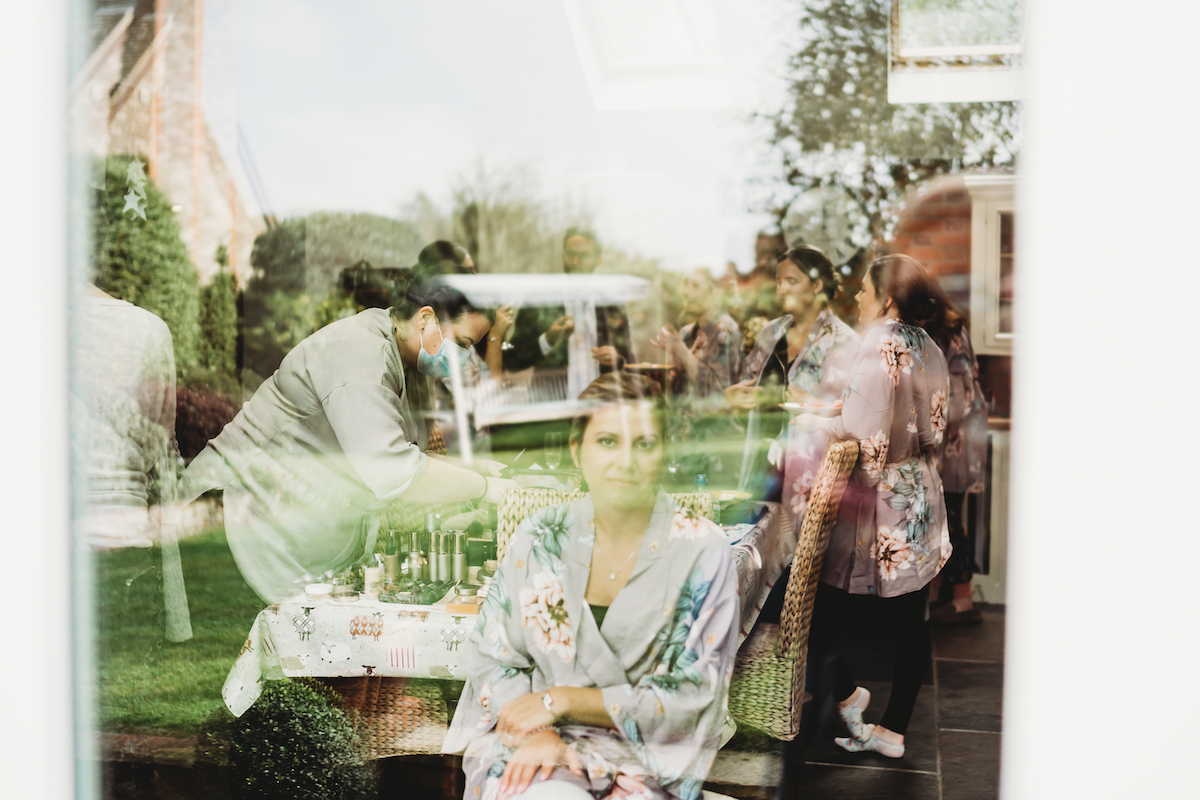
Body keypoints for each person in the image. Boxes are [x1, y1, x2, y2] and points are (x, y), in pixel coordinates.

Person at [443, 373, 740, 800]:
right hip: (537, 745)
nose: (625, 461)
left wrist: (561, 699)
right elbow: (494, 657)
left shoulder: (703, 552)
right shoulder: (539, 537)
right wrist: (540, 731)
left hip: (645, 758)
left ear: (664, 452)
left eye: (644, 443)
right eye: (606, 442)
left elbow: (691, 698)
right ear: (576, 450)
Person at [177, 277, 516, 603]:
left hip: (296, 510)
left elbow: (410, 454)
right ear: (426, 319)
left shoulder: (406, 356)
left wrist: (476, 468)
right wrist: (484, 489)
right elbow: (393, 472)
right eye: (464, 344)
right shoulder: (362, 356)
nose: (465, 359)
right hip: (249, 507)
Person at [799, 254, 953, 759]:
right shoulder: (928, 345)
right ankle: (892, 730)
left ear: (886, 298)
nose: (858, 299)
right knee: (914, 620)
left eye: (864, 290)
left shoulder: (878, 341)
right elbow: (923, 421)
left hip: (883, 502)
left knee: (810, 599)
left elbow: (865, 434)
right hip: (921, 493)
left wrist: (813, 424)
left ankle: (845, 692)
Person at [725, 246, 859, 502]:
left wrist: (818, 408)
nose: (781, 289)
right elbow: (750, 387)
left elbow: (857, 419)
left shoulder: (845, 343)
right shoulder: (770, 333)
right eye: (778, 282)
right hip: (760, 467)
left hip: (811, 477)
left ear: (817, 285)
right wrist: (736, 398)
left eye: (791, 281)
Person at [504, 228, 633, 378]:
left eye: (584, 255)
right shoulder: (540, 300)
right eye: (570, 254)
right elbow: (511, 361)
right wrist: (547, 340)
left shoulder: (611, 304)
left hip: (601, 399)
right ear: (563, 255)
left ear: (599, 260)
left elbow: (628, 359)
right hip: (553, 399)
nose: (575, 262)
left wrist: (617, 360)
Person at [927, 308, 988, 624]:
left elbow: (957, 401)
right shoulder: (950, 333)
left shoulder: (947, 337)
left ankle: (962, 601)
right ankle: (937, 593)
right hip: (957, 441)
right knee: (945, 518)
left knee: (949, 520)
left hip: (957, 443)